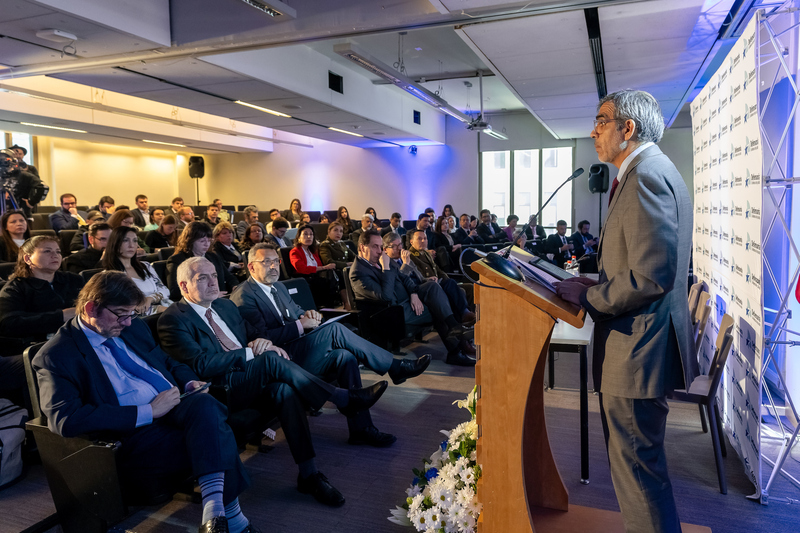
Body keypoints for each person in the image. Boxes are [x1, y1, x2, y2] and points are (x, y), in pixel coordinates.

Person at [556, 89, 696, 533]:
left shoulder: (646, 176)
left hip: (638, 352)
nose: (593, 131)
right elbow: (638, 263)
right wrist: (595, 282)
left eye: (601, 120)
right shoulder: (648, 171)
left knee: (638, 473)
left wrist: (590, 298)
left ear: (627, 128)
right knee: (639, 469)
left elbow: (652, 275)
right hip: (641, 346)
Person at [32, 271, 258, 533]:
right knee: (216, 431)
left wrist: (188, 382)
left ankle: (215, 513)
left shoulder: (133, 326)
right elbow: (64, 419)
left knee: (206, 405)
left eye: (132, 314)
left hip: (175, 406)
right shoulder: (56, 355)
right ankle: (231, 518)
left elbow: (167, 361)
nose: (128, 323)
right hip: (134, 433)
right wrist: (147, 411)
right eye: (121, 314)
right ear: (91, 308)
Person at [159, 257, 387, 507]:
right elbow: (200, 365)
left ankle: (309, 474)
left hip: (254, 374)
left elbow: (254, 332)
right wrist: (251, 353)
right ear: (183, 286)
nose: (213, 282)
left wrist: (262, 342)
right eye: (202, 278)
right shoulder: (173, 319)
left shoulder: (224, 306)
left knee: (284, 390)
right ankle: (343, 398)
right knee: (269, 360)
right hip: (221, 388)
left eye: (214, 275)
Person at [232, 243, 429, 445]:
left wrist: (307, 314)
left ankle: (361, 429)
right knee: (334, 330)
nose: (274, 266)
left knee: (345, 357)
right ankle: (395, 367)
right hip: (280, 361)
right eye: (267, 262)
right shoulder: (244, 295)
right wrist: (301, 325)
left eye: (276, 261)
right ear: (251, 267)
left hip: (298, 348)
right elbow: (262, 339)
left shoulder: (279, 287)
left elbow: (296, 310)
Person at [350, 230, 474, 367]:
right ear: (362, 247)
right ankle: (457, 347)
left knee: (433, 287)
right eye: (375, 246)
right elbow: (386, 298)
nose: (380, 251)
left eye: (380, 246)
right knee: (440, 305)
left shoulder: (379, 260)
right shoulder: (358, 272)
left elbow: (406, 279)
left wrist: (414, 294)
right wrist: (385, 268)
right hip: (394, 312)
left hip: (409, 301)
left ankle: (455, 333)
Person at [0, 235, 83, 342]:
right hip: (36, 345)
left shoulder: (74, 280)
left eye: (58, 251)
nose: (55, 255)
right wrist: (60, 317)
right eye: (47, 251)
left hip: (76, 339)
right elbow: (8, 324)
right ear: (28, 258)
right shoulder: (15, 288)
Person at [404, 229, 474, 326]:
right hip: (429, 287)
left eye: (425, 238)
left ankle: (470, 320)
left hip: (439, 282)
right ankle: (464, 314)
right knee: (451, 285)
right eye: (420, 239)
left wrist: (447, 279)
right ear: (411, 242)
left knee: (469, 287)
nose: (423, 241)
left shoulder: (426, 253)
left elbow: (438, 271)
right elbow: (417, 276)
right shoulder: (410, 256)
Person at [103, 226, 171, 316]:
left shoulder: (145, 266)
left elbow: (165, 291)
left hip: (167, 308)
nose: (131, 245)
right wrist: (157, 309)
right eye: (125, 240)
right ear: (115, 243)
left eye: (135, 241)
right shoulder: (110, 275)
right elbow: (127, 308)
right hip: (145, 318)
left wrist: (150, 299)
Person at [166, 221, 239, 301]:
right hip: (197, 304)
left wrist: (235, 286)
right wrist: (209, 295)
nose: (206, 244)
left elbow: (229, 277)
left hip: (221, 300)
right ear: (190, 241)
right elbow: (175, 291)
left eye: (209, 241)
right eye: (202, 241)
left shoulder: (213, 257)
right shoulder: (177, 260)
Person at [290, 224, 337, 307]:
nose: (309, 236)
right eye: (305, 234)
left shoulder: (313, 251)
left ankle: (330, 304)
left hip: (315, 276)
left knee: (333, 272)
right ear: (298, 237)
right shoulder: (295, 251)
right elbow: (301, 268)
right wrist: (324, 267)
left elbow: (319, 265)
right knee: (327, 275)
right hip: (305, 277)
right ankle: (328, 305)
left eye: (311, 234)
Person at [318, 221, 355, 310]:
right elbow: (328, 261)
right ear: (329, 231)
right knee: (343, 274)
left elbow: (353, 256)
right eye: (335, 230)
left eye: (341, 231)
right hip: (335, 270)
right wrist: (346, 264)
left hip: (346, 268)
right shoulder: (325, 245)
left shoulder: (341, 243)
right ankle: (347, 303)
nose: (339, 233)